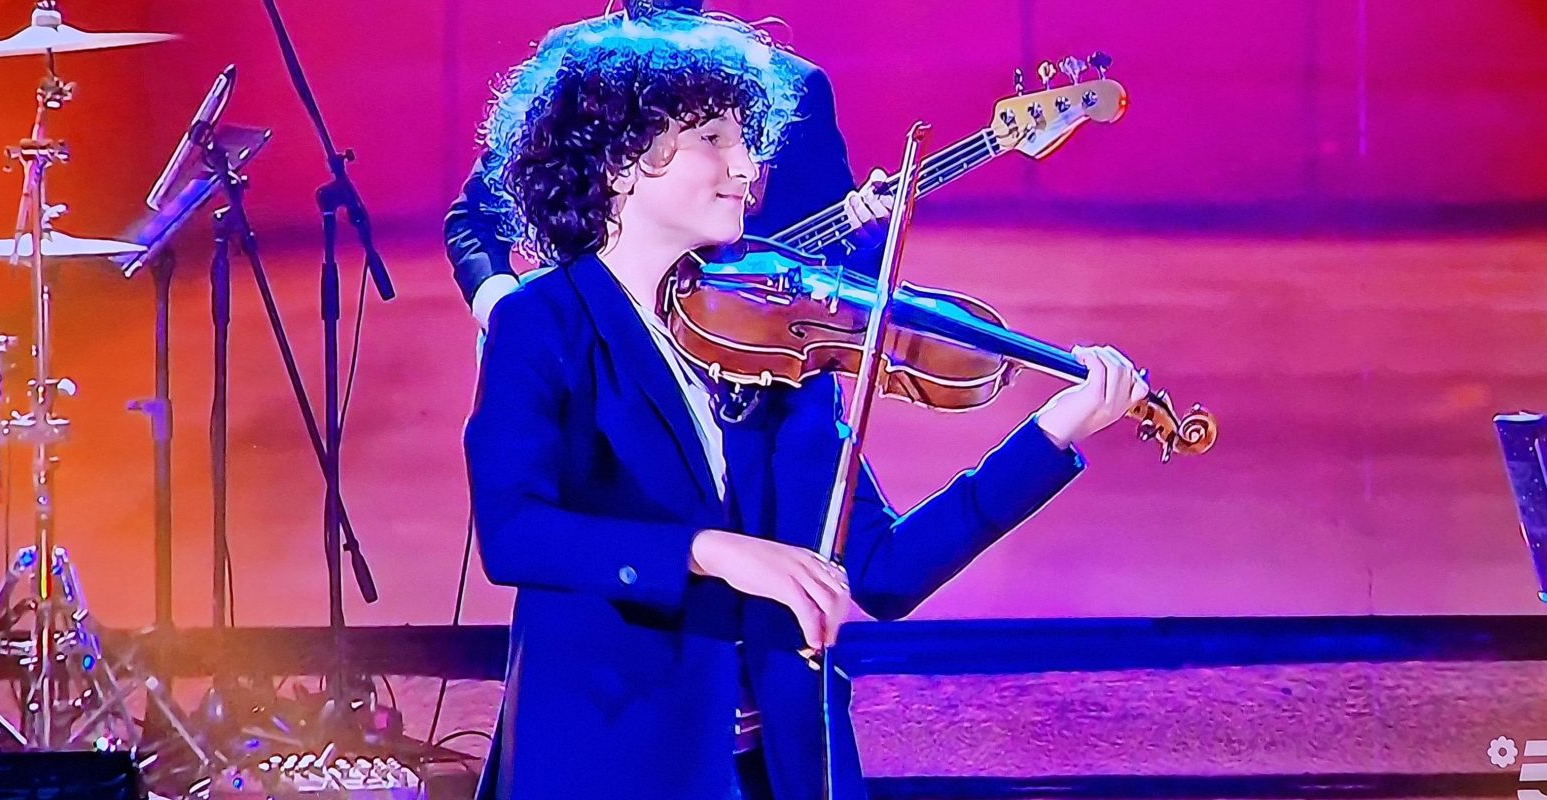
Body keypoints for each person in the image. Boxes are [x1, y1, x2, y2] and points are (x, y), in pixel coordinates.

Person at [462, 11, 1149, 800]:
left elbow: (886, 572)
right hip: (610, 759)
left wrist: (1051, 435)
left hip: (782, 769)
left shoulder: (771, 342)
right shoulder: (544, 324)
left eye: (746, 141)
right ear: (622, 163)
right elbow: (515, 535)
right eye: (714, 140)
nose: (748, 167)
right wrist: (713, 551)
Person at [443, 0, 887, 331]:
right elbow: (475, 218)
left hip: (751, 374)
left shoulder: (789, 84)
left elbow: (840, 276)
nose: (744, 169)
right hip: (594, 363)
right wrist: (506, 316)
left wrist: (867, 241)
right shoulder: (574, 61)